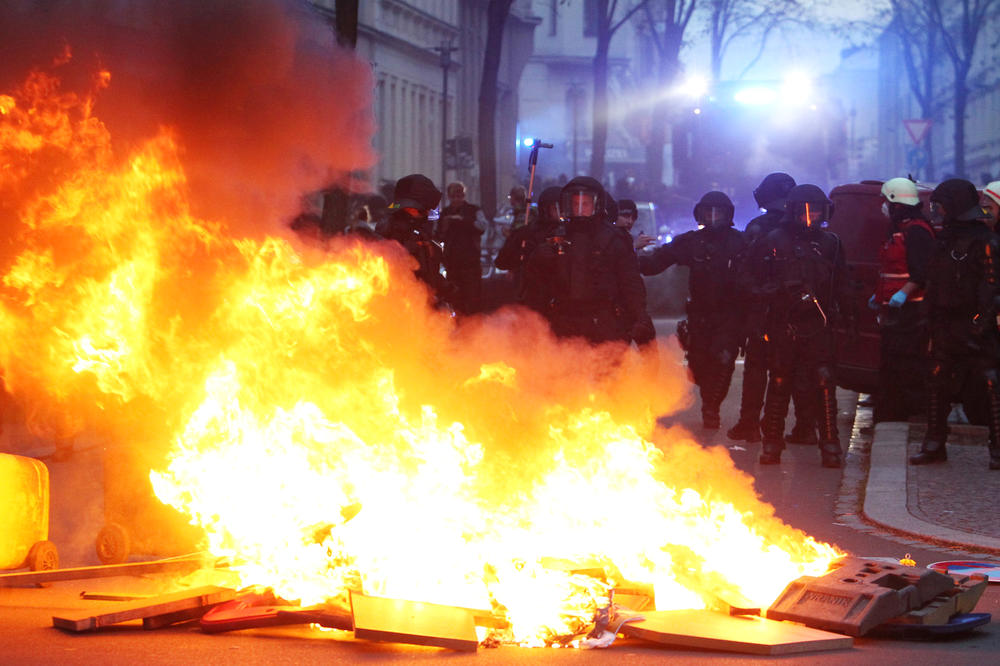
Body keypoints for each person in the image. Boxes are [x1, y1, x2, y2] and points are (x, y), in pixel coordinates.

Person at [751, 184, 855, 468]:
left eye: (816, 211)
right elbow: (750, 279)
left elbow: (842, 282)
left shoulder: (831, 243)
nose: (811, 217)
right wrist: (771, 296)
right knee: (780, 381)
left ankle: (830, 444)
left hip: (819, 322)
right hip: (784, 322)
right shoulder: (773, 239)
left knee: (824, 380)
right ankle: (772, 444)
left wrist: (849, 316)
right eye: (805, 211)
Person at [910, 179, 1000, 469]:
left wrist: (980, 324)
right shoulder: (944, 241)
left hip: (975, 326)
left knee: (990, 382)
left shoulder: (986, 242)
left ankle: (998, 447)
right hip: (945, 325)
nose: (939, 212)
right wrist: (927, 318)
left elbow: (992, 288)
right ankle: (934, 442)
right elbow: (933, 283)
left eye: (942, 206)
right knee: (936, 378)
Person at [639, 191, 746, 429]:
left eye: (719, 213)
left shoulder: (740, 242)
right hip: (699, 315)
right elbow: (655, 263)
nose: (714, 217)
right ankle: (708, 399)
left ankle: (711, 408)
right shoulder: (691, 242)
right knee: (698, 367)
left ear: (728, 215)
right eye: (709, 212)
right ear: (701, 214)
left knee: (723, 361)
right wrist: (628, 254)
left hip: (729, 315)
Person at [522, 176, 655, 346]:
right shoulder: (554, 237)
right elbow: (536, 289)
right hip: (564, 326)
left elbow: (631, 284)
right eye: (574, 203)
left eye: (585, 204)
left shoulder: (614, 239)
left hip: (605, 326)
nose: (579, 209)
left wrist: (640, 318)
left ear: (597, 205)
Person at [728, 172, 797, 442]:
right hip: (793, 311)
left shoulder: (757, 228)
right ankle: (779, 426)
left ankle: (749, 424)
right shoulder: (801, 228)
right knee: (788, 369)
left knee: (756, 367)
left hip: (761, 309)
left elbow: (742, 271)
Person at [868, 177, 935, 423]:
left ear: (896, 203)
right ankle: (890, 414)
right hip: (896, 311)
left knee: (908, 365)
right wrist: (879, 296)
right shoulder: (899, 229)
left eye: (886, 201)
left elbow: (922, 272)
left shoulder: (917, 231)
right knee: (891, 365)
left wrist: (902, 294)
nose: (883, 206)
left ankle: (911, 415)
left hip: (912, 313)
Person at [384, 173, 450, 306]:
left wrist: (443, 286)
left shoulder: (421, 232)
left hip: (425, 299)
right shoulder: (391, 230)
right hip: (404, 301)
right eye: (424, 210)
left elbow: (429, 270)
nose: (427, 213)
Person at [494, 185, 562, 297]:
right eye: (556, 209)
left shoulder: (576, 232)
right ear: (546, 210)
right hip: (537, 293)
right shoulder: (531, 232)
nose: (561, 214)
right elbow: (503, 260)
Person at [438, 181, 487, 314]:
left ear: (464, 195)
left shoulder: (474, 210)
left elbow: (482, 227)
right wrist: (445, 226)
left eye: (459, 196)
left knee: (473, 299)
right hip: (452, 264)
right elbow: (438, 236)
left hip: (471, 263)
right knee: (455, 299)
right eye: (453, 196)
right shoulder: (445, 213)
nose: (456, 200)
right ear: (449, 197)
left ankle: (474, 325)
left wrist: (463, 220)